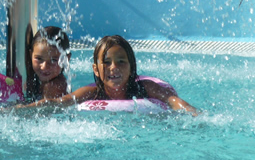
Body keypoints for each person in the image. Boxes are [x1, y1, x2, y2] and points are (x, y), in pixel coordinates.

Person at [27, 34, 198, 114]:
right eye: (106, 62)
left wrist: (194, 114)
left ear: (132, 67)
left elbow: (172, 100)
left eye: (121, 62)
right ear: (96, 69)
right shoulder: (92, 92)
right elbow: (60, 102)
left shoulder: (144, 87)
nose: (113, 67)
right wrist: (21, 110)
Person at [26, 26, 71, 101]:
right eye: (39, 59)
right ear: (31, 55)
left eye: (53, 60)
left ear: (66, 59)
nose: (44, 67)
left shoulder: (53, 87)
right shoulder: (42, 79)